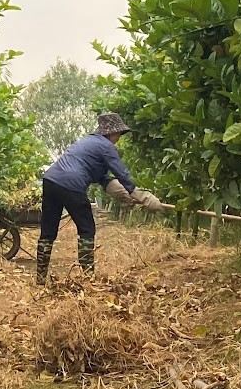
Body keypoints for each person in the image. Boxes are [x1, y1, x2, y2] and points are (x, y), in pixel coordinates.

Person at [35, 112, 163, 284]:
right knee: (87, 229)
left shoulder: (87, 143)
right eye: (118, 134)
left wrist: (125, 196)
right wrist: (142, 196)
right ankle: (87, 278)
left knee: (48, 231)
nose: (119, 138)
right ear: (111, 132)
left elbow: (102, 178)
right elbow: (122, 173)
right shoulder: (106, 146)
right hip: (72, 184)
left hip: (50, 181)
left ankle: (40, 279)